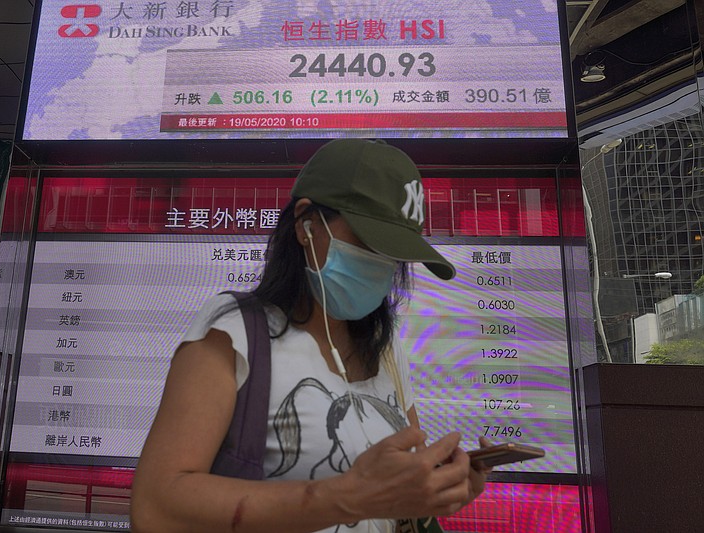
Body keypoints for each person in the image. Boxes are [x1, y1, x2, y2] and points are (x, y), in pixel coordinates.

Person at [131, 139, 491, 533]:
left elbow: (399, 495)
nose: (381, 266)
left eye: (393, 254)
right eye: (368, 242)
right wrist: (344, 498)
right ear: (306, 225)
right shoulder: (234, 332)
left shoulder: (384, 348)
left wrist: (436, 488)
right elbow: (156, 507)